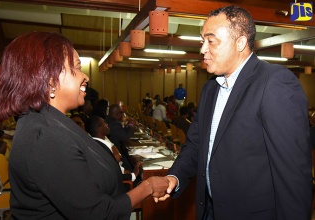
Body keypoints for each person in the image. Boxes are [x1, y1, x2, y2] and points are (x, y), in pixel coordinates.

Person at [159, 5, 312, 220]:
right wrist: (175, 177)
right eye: (202, 41)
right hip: (211, 210)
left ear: (240, 42)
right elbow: (196, 144)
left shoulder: (275, 83)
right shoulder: (210, 88)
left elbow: (292, 175)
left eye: (211, 41)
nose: (203, 49)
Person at [0, 32, 170, 220]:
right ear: (50, 80)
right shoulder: (45, 136)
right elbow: (97, 214)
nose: (85, 76)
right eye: (77, 68)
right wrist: (149, 187)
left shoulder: (49, 122)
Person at [85, 115, 142, 185]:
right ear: (99, 129)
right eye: (105, 124)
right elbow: (111, 174)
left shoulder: (98, 142)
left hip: (121, 174)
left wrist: (123, 170)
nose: (107, 125)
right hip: (118, 185)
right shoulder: (101, 148)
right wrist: (134, 175)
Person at [105, 104, 138, 171]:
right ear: (117, 114)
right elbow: (126, 137)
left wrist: (128, 124)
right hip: (117, 154)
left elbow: (122, 132)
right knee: (133, 162)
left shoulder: (109, 119)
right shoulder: (114, 123)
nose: (122, 115)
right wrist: (131, 124)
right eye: (121, 113)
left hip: (113, 151)